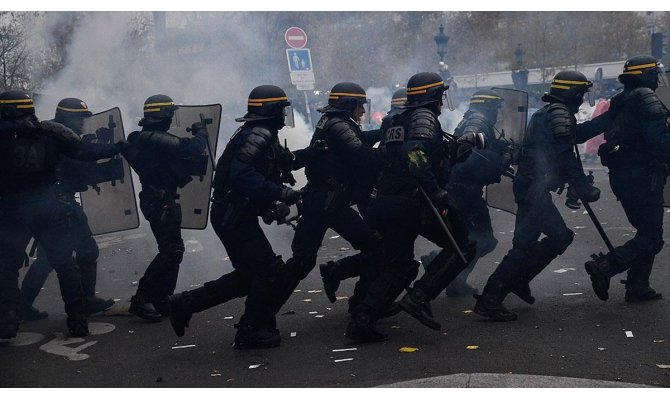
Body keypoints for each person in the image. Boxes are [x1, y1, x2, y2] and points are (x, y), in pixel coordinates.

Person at [167, 85, 314, 348]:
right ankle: (250, 331)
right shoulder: (257, 135)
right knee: (268, 271)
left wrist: (315, 153)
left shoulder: (262, 135)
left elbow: (286, 161)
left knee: (249, 275)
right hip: (233, 216)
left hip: (234, 215)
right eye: (281, 109)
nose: (284, 115)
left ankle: (185, 304)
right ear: (270, 111)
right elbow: (242, 175)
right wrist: (281, 192)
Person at [347, 72, 481, 340]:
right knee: (462, 245)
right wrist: (436, 191)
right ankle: (418, 298)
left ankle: (362, 318)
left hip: (389, 199)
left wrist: (453, 153)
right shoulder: (423, 117)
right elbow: (415, 154)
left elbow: (403, 155)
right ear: (431, 97)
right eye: (440, 96)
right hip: (413, 201)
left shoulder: (397, 120)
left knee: (399, 264)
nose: (442, 102)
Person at [473, 71, 610, 321]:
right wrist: (583, 186)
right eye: (581, 94)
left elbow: (574, 136)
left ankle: (517, 280)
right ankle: (492, 296)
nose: (581, 100)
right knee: (541, 241)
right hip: (534, 189)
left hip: (532, 187)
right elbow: (565, 154)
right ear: (574, 93)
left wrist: (608, 119)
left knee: (551, 238)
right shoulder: (558, 113)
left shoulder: (551, 113)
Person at [0, 90, 124, 338]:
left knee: (6, 268)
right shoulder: (49, 133)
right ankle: (78, 321)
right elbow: (83, 152)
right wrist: (115, 148)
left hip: (12, 213)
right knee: (66, 265)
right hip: (48, 208)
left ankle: (8, 322)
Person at [264, 82, 385, 333]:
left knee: (301, 262)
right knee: (376, 247)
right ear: (348, 106)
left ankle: (260, 316)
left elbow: (359, 140)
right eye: (359, 105)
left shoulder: (332, 122)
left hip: (321, 201)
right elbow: (361, 155)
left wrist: (384, 132)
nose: (362, 111)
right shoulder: (339, 124)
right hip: (330, 202)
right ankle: (360, 305)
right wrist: (391, 154)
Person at [585, 55, 669, 302]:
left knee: (647, 231)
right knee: (652, 236)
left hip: (624, 178)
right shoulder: (646, 98)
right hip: (643, 176)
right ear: (645, 76)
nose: (657, 78)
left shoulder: (622, 100)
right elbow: (660, 144)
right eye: (654, 73)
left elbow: (591, 129)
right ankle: (607, 266)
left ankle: (638, 286)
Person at [122, 94, 208, 322]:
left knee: (173, 250)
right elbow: (190, 147)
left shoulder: (147, 138)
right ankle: (142, 299)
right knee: (170, 250)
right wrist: (201, 133)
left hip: (162, 199)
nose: (171, 119)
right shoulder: (151, 138)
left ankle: (161, 298)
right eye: (170, 114)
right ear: (163, 116)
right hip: (158, 201)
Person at [423, 90, 510, 298]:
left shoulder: (475, 122)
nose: (498, 112)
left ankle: (455, 280)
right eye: (496, 108)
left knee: (473, 240)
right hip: (464, 193)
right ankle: (441, 264)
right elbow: (470, 160)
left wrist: (499, 147)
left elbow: (481, 150)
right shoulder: (477, 123)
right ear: (488, 108)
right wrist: (502, 162)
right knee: (483, 240)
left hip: (463, 191)